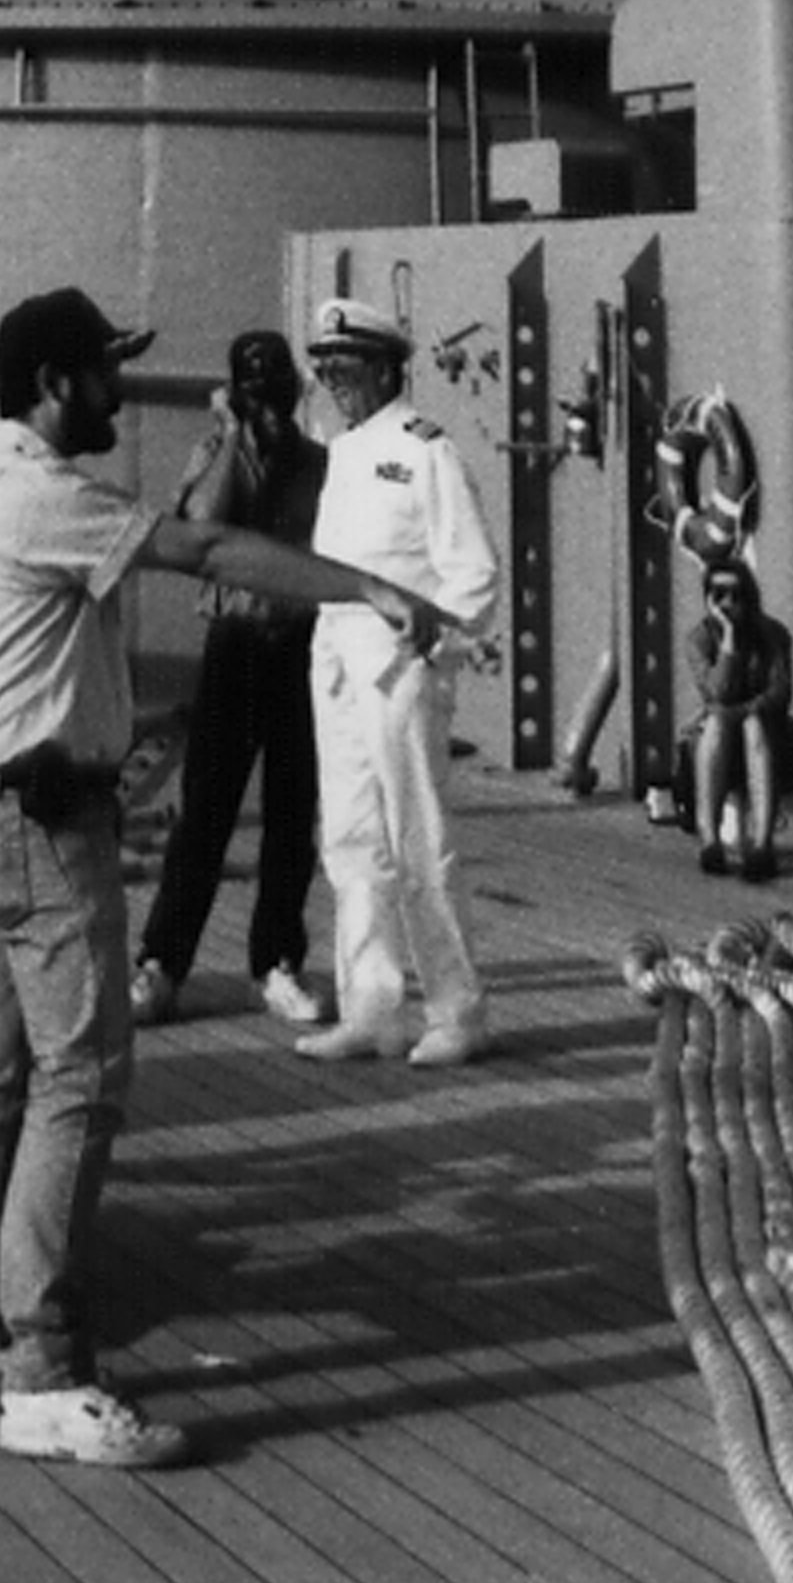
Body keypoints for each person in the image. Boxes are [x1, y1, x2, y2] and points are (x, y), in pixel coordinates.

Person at [0, 283, 462, 1473]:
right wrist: (374, 586)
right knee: (83, 1078)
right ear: (57, 384)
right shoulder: (41, 492)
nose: (122, 389)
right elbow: (205, 544)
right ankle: (46, 1373)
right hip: (43, 821)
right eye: (105, 370)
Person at [295, 293, 502, 1065]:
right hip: (338, 661)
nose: (335, 383)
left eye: (346, 369)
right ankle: (372, 1006)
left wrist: (433, 647)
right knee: (351, 841)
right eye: (325, 370)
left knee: (420, 844)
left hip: (399, 666)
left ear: (386, 368)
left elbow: (474, 574)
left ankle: (457, 1011)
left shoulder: (425, 449)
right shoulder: (342, 448)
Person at [131, 329, 326, 1030]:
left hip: (299, 641)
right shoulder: (218, 452)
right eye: (254, 385)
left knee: (292, 811)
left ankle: (276, 959)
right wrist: (234, 435)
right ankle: (162, 961)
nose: (269, 400)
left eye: (277, 385)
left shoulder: (318, 464)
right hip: (236, 641)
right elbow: (202, 524)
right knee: (206, 812)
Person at [687, 552, 793, 881]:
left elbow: (779, 694)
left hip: (770, 741)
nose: (727, 604)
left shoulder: (774, 635)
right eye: (718, 595)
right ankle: (709, 840)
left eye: (736, 596)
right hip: (721, 743)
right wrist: (727, 641)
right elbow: (717, 691)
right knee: (714, 725)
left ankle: (762, 844)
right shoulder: (699, 639)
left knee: (752, 725)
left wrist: (738, 713)